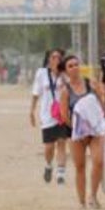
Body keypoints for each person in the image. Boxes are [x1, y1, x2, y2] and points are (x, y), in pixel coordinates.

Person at [60, 55, 105, 209]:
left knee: (99, 161)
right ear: (66, 71)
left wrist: (100, 118)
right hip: (76, 133)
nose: (74, 68)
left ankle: (93, 196)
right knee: (80, 166)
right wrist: (78, 128)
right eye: (70, 66)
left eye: (76, 64)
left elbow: (102, 104)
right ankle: (82, 202)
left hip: (95, 131)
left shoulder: (90, 83)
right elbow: (64, 115)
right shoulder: (65, 91)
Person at [29, 48, 70, 185]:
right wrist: (31, 111)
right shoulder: (41, 73)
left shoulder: (66, 74)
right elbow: (36, 93)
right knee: (49, 146)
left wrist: (63, 75)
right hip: (47, 115)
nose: (56, 60)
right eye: (53, 57)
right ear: (48, 60)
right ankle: (48, 165)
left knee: (62, 142)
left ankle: (61, 174)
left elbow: (72, 90)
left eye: (59, 58)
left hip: (63, 114)